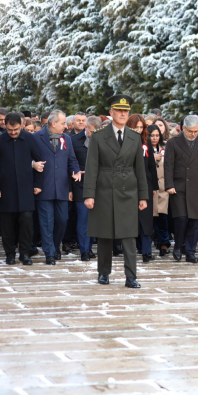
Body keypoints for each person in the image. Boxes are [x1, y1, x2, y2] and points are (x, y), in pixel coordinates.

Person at [83, 95, 149, 288]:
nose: (122, 114)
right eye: (119, 111)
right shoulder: (98, 136)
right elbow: (92, 167)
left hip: (128, 190)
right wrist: (89, 194)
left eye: (125, 111)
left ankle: (131, 276)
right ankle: (103, 272)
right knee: (104, 234)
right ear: (111, 113)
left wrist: (143, 196)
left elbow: (140, 169)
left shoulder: (134, 137)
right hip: (104, 190)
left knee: (129, 235)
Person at [0, 113, 45, 265]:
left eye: (16, 129)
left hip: (26, 189)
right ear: (5, 126)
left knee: (26, 222)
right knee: (7, 224)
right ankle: (10, 253)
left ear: (21, 125)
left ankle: (25, 253)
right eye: (9, 130)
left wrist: (38, 184)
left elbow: (40, 163)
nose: (13, 133)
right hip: (6, 190)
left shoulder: (29, 139)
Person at [164, 115, 198, 263]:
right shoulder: (173, 142)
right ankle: (178, 246)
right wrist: (169, 185)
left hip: (197, 186)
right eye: (190, 131)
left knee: (195, 220)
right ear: (184, 128)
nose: (193, 134)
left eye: (196, 131)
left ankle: (191, 252)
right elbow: (168, 165)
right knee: (181, 219)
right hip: (179, 187)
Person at [34, 110, 81, 264]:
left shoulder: (66, 139)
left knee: (62, 220)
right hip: (43, 187)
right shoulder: (36, 137)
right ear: (53, 123)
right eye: (62, 123)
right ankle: (49, 253)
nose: (65, 126)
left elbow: (72, 160)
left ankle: (55, 246)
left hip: (62, 187)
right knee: (46, 222)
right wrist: (33, 165)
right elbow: (27, 158)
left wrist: (75, 172)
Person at [127, 115, 159, 263]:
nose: (139, 130)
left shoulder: (146, 144)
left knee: (146, 219)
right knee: (131, 219)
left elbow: (152, 167)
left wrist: (154, 187)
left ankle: (147, 252)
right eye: (136, 127)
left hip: (146, 185)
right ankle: (131, 250)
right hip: (128, 185)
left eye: (141, 127)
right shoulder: (124, 143)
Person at [71, 116, 102, 261]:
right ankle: (84, 250)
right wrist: (76, 170)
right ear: (86, 128)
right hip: (80, 185)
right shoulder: (74, 140)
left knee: (94, 219)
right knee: (83, 218)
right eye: (91, 132)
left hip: (98, 186)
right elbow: (70, 160)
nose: (94, 135)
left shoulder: (103, 141)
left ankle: (89, 248)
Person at [149, 125, 171, 256]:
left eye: (157, 135)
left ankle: (164, 243)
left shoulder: (165, 148)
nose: (155, 138)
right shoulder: (143, 148)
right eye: (152, 135)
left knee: (162, 216)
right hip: (149, 186)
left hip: (163, 186)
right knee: (149, 217)